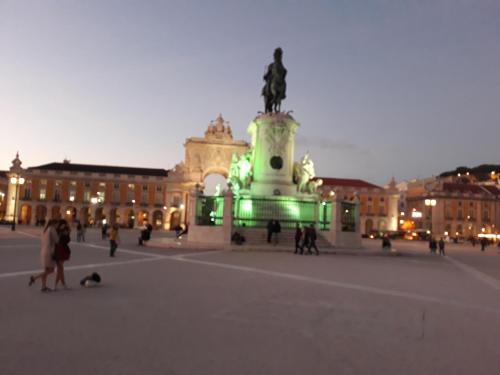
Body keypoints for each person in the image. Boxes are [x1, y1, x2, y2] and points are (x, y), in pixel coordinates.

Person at [29, 219, 58, 292]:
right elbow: (57, 240)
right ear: (54, 224)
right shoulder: (52, 229)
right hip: (50, 252)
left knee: (46, 270)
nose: (57, 225)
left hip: (44, 251)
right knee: (51, 270)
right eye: (57, 224)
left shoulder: (45, 229)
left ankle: (43, 286)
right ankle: (35, 278)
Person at [54, 219, 71, 290]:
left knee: (60, 268)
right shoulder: (58, 231)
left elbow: (67, 240)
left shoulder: (64, 231)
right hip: (59, 250)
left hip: (62, 250)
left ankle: (58, 284)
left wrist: (65, 231)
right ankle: (61, 284)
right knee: (60, 268)